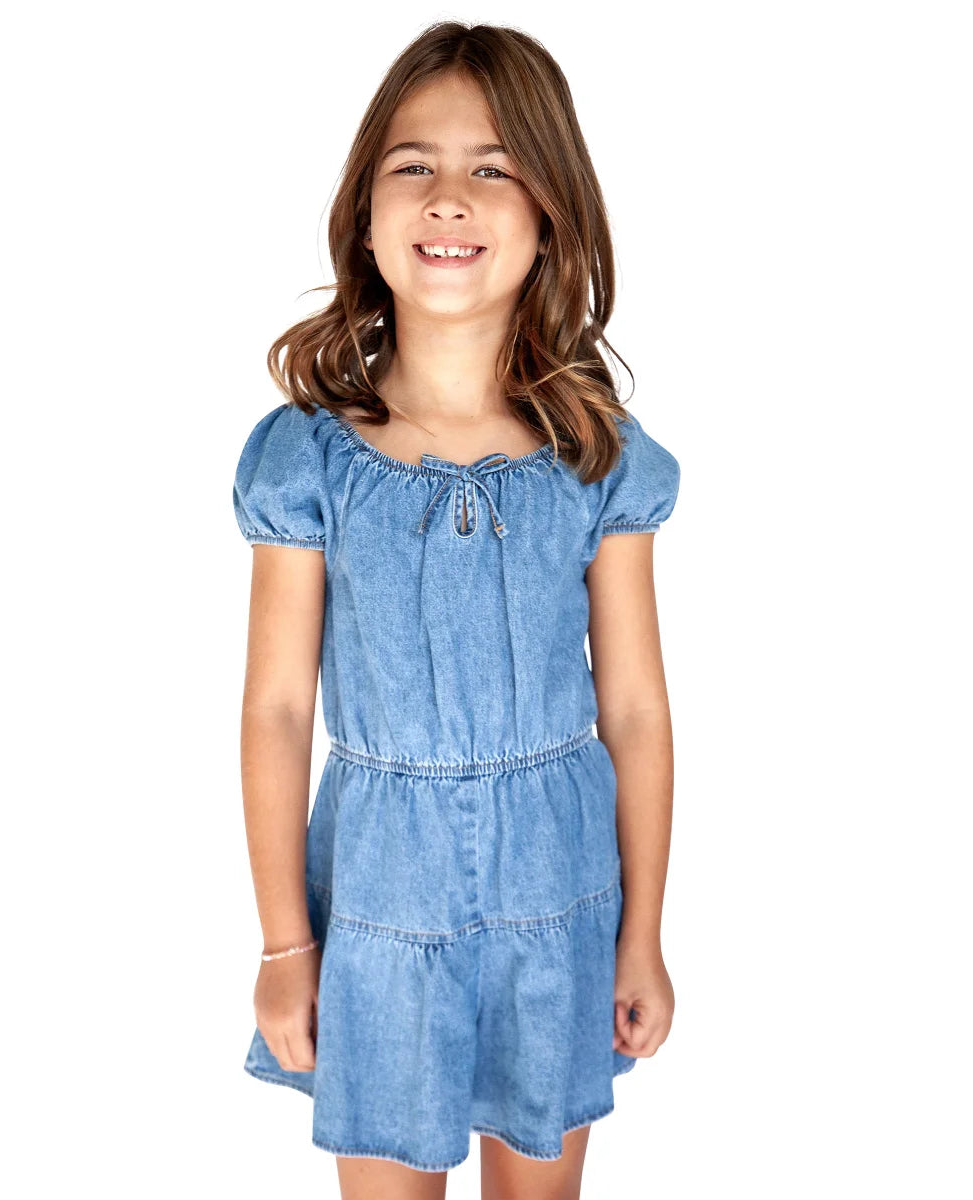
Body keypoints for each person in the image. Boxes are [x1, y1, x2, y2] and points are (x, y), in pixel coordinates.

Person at [232, 21, 682, 1199]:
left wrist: (642, 931)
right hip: (382, 902)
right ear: (364, 215)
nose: (448, 196)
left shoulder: (597, 457)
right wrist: (284, 944)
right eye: (413, 164)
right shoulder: (309, 460)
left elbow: (635, 709)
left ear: (549, 218)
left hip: (562, 892)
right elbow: (277, 710)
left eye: (493, 167)